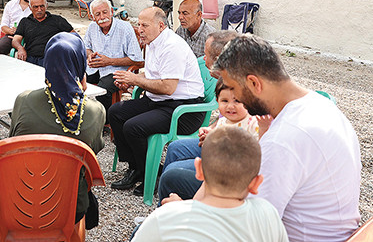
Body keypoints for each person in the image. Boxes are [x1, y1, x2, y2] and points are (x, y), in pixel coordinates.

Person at [211, 34, 361, 241]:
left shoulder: (283, 138)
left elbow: (252, 230)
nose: (238, 101)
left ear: (254, 83)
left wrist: (183, 216)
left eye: (235, 90)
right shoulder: (322, 105)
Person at [0, 32, 104, 228]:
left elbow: (13, 144)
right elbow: (91, 154)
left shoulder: (24, 100)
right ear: (80, 64)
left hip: (10, 208)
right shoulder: (95, 111)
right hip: (69, 209)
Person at [108, 7, 204, 196]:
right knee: (116, 112)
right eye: (138, 24)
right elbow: (153, 75)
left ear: (161, 25)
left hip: (185, 109)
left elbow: (168, 87)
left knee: (134, 127)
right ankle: (136, 168)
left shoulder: (172, 46)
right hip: (160, 100)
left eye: (144, 25)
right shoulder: (152, 41)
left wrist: (136, 80)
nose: (139, 29)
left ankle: (149, 175)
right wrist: (130, 77)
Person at [131, 127, 289, 242]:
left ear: (198, 170)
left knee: (139, 229)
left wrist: (178, 210)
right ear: (256, 183)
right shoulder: (269, 215)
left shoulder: (165, 218)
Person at [157, 78, 260, 203]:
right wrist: (210, 134)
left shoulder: (251, 124)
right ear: (218, 101)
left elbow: (250, 152)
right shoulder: (224, 120)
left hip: (227, 171)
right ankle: (164, 206)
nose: (230, 106)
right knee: (174, 148)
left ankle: (171, 205)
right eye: (224, 101)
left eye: (237, 101)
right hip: (215, 159)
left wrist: (215, 141)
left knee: (172, 171)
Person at [84, 0, 143, 126]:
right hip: (94, 68)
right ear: (92, 16)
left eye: (105, 12)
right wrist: (89, 55)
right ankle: (82, 118)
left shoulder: (125, 28)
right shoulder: (92, 27)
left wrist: (110, 61)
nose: (102, 17)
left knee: (102, 90)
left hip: (117, 71)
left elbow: (138, 61)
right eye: (97, 14)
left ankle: (102, 123)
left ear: (111, 12)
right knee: (75, 82)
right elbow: (86, 47)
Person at [12, 0, 73, 67]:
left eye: (42, 6)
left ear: (46, 5)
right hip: (30, 58)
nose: (39, 10)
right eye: (36, 7)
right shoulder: (25, 22)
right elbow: (15, 40)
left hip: (51, 58)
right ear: (30, 7)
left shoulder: (57, 20)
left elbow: (74, 36)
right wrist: (20, 48)